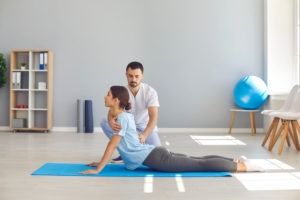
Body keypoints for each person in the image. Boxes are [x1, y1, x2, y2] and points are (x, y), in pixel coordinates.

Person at [80, 86, 264, 174]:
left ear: (116, 101)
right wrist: (99, 163)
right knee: (196, 159)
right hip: (154, 153)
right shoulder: (122, 116)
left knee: (199, 165)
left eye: (108, 95)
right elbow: (111, 115)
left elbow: (112, 147)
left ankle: (243, 166)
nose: (104, 97)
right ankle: (234, 159)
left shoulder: (121, 119)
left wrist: (98, 169)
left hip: (157, 158)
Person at [100, 61, 161, 163]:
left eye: (137, 76)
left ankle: (137, 149)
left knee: (158, 153)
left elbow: (153, 118)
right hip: (128, 127)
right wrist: (111, 122)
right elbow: (112, 112)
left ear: (142, 75)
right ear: (126, 75)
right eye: (130, 76)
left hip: (145, 128)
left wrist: (144, 135)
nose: (133, 79)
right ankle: (124, 154)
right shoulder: (122, 91)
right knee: (104, 122)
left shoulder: (150, 92)